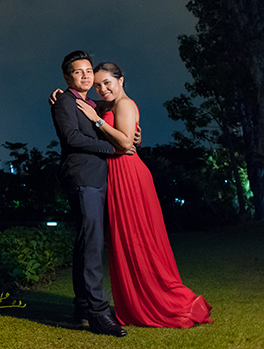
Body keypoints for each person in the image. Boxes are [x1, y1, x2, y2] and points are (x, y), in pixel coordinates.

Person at [75, 61, 213, 328]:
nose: (102, 89)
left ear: (121, 80)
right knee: (124, 241)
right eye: (98, 85)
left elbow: (126, 142)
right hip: (115, 175)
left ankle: (159, 300)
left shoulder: (124, 104)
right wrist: (63, 94)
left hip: (128, 175)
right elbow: (88, 103)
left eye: (108, 83)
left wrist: (97, 122)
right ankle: (135, 301)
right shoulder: (107, 105)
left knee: (138, 239)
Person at [50, 50, 131, 337]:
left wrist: (133, 132)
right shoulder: (64, 101)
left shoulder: (90, 103)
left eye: (88, 71)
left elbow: (112, 114)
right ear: (67, 76)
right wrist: (112, 149)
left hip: (97, 178)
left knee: (86, 242)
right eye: (78, 71)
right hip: (82, 177)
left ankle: (83, 306)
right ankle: (98, 314)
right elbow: (72, 138)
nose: (85, 75)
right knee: (93, 245)